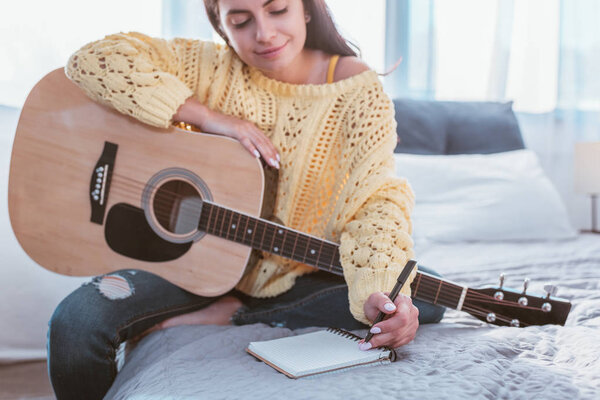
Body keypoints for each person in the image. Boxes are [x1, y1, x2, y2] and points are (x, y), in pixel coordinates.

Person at [48, 0, 445, 398]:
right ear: (220, 23)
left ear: (306, 9)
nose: (264, 34)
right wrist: (205, 116)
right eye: (240, 20)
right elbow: (93, 59)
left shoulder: (357, 91)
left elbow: (375, 201)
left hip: (291, 275)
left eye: (277, 10)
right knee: (75, 322)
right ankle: (229, 308)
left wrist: (379, 288)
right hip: (191, 264)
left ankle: (236, 314)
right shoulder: (209, 65)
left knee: (424, 294)